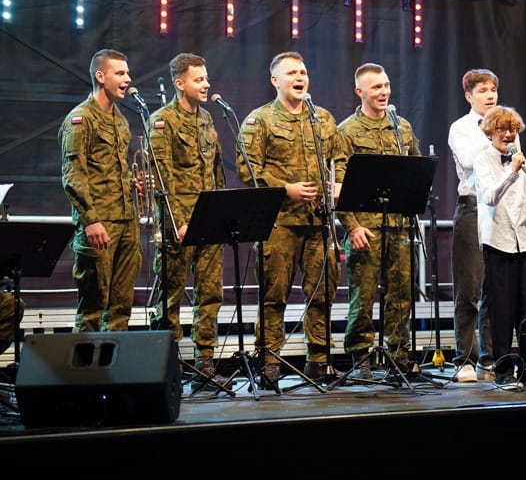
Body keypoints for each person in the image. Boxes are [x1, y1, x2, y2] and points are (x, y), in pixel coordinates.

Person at [238, 51, 346, 388]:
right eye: (292, 73)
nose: (300, 78)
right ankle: (269, 363)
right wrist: (285, 188)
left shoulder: (322, 118)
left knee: (322, 294)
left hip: (318, 223)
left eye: (303, 72)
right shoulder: (260, 120)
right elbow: (248, 169)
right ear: (275, 80)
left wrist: (338, 183)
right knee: (273, 297)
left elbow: (340, 157)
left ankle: (319, 361)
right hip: (279, 223)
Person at [148, 52, 229, 390]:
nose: (206, 84)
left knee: (210, 295)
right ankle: (165, 369)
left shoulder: (207, 119)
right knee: (170, 299)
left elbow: (216, 171)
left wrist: (222, 214)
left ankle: (205, 366)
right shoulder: (162, 121)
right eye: (199, 79)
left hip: (208, 221)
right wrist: (177, 221)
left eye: (206, 78)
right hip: (178, 227)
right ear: (180, 83)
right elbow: (161, 177)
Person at [336, 63, 419, 379]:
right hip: (365, 228)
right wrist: (352, 226)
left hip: (399, 225)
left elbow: (416, 170)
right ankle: (360, 356)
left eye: (386, 85)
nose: (384, 92)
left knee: (401, 294)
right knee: (363, 294)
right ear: (360, 92)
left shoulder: (402, 128)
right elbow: (339, 184)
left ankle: (399, 355)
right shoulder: (347, 131)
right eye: (376, 87)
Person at [58, 48, 143, 333]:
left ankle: (113, 361)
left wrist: (132, 182)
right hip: (99, 223)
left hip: (126, 220)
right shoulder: (81, 119)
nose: (127, 79)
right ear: (100, 76)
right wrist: (91, 220)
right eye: (120, 73)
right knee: (93, 308)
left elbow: (111, 168)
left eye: (127, 73)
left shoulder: (120, 120)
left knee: (121, 306)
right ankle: (84, 363)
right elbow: (73, 175)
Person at [474, 105, 526, 390]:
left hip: (522, 243)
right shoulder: (484, 160)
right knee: (502, 310)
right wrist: (512, 172)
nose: (508, 135)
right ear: (491, 132)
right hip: (497, 243)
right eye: (502, 129)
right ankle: (503, 370)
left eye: (513, 130)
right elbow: (490, 197)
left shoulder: (519, 159)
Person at [447, 68, 500, 383]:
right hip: (471, 208)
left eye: (493, 90)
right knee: (468, 289)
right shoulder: (462, 127)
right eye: (482, 90)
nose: (490, 95)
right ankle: (464, 359)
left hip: (499, 209)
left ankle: (490, 358)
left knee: (494, 288)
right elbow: (469, 160)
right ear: (469, 96)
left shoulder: (507, 125)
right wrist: (494, 134)